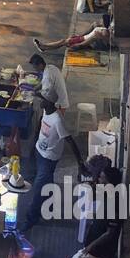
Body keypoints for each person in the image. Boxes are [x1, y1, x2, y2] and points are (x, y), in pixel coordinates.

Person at [24, 94, 85, 231]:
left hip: (49, 158)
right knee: (46, 181)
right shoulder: (46, 111)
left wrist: (80, 164)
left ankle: (31, 218)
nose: (40, 101)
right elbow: (40, 126)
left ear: (50, 102)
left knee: (38, 188)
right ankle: (50, 204)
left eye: (43, 99)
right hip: (39, 151)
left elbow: (70, 141)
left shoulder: (58, 120)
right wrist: (33, 145)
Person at [71, 164, 124, 258]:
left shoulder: (114, 202)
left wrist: (90, 246)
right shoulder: (108, 195)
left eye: (101, 178)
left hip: (100, 247)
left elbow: (110, 232)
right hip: (97, 243)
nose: (98, 180)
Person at [33, 17, 112, 54]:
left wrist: (79, 45)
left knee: (63, 41)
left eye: (102, 20)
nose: (100, 20)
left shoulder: (104, 32)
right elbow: (88, 32)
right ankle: (44, 47)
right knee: (63, 42)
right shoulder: (98, 26)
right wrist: (78, 36)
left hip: (86, 42)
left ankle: (43, 46)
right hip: (83, 38)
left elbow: (93, 39)